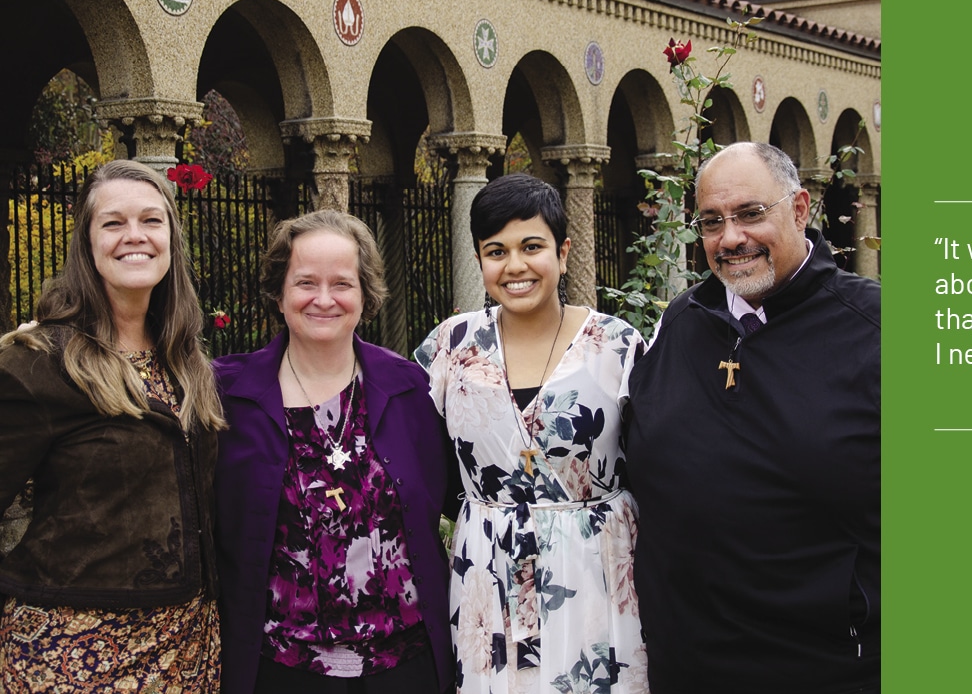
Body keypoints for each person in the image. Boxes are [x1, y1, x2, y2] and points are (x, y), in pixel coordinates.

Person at [625, 142, 881, 693]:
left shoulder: (874, 332)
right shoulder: (682, 323)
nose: (731, 237)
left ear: (799, 208)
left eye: (750, 213)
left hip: (827, 667)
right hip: (687, 665)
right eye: (712, 221)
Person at [415, 173, 648, 693]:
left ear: (563, 254)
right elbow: (416, 452)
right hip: (487, 569)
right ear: (479, 260)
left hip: (594, 569)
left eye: (532, 246)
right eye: (495, 250)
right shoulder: (452, 346)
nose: (514, 266)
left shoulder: (616, 346)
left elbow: (658, 457)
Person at [0, 159, 227, 691]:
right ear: (87, 242)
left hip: (188, 649)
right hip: (72, 654)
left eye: (151, 221)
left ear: (171, 237)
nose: (135, 237)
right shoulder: (39, 362)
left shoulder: (185, 359)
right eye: (113, 223)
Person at [214, 210, 454, 693]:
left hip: (405, 665)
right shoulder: (228, 396)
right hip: (282, 668)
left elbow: (452, 499)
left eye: (342, 283)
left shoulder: (408, 389)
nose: (324, 299)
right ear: (279, 293)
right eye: (305, 282)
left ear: (365, 295)